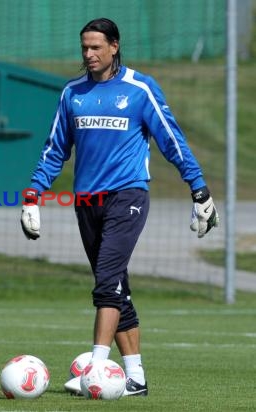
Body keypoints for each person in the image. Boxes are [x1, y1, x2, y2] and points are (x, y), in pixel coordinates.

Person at [20, 17, 219, 397]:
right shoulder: (72, 93)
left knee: (107, 281)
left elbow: (171, 141)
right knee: (117, 288)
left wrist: (199, 190)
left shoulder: (140, 88)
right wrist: (33, 195)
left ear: (114, 46)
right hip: (86, 203)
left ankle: (95, 369)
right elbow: (54, 151)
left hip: (128, 197)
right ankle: (136, 378)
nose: (89, 54)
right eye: (84, 48)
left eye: (96, 47)